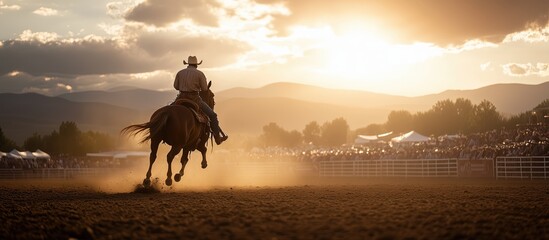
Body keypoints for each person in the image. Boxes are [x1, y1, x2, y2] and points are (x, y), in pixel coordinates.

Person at [174, 56, 228, 145]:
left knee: (170, 107)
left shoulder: (180, 73)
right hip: (194, 98)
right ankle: (217, 138)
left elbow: (176, 86)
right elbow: (204, 89)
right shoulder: (199, 74)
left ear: (188, 64)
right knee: (213, 115)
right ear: (196, 65)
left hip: (180, 97)